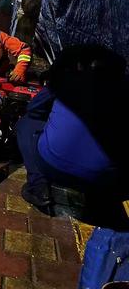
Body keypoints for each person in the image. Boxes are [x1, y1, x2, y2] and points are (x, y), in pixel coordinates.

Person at [15, 44, 128, 209]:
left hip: (52, 165)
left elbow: (33, 109)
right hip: (104, 180)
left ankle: (37, 185)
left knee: (26, 123)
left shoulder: (68, 79)